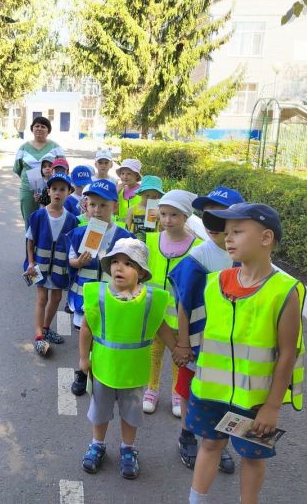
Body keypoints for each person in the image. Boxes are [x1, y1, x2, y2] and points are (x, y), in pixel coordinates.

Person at [187, 204, 305, 504]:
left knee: (252, 458)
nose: (228, 239)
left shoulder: (283, 292)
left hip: (255, 402)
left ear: (266, 238)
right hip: (210, 393)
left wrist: (272, 407)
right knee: (210, 445)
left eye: (237, 232)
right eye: (226, 233)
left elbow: (287, 354)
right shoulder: (214, 283)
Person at [79, 238, 178, 479]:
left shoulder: (151, 300)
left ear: (142, 272)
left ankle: (128, 449)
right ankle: (97, 445)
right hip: (103, 369)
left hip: (133, 373)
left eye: (128, 263)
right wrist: (84, 358)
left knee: (131, 414)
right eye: (115, 262)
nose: (119, 268)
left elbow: (162, 328)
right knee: (100, 411)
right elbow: (86, 328)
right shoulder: (99, 295)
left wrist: (178, 350)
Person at [167, 187, 245, 474]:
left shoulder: (245, 257)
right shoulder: (199, 258)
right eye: (208, 215)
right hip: (199, 344)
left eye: (220, 217)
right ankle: (188, 435)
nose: (213, 224)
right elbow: (183, 305)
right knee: (189, 388)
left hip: (232, 347)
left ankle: (216, 442)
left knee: (225, 394)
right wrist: (183, 344)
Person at [67, 180, 135, 396]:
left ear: (114, 206)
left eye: (103, 205)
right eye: (92, 204)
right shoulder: (79, 233)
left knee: (105, 336)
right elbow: (70, 260)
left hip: (111, 296)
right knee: (85, 333)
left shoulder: (125, 237)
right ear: (86, 205)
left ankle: (103, 373)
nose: (97, 210)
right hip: (85, 294)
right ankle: (82, 369)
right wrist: (79, 262)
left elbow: (133, 268)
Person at [143, 190, 202, 416]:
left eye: (174, 215)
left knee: (180, 355)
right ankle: (152, 389)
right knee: (154, 353)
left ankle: (178, 393)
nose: (167, 220)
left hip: (181, 319)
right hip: (154, 315)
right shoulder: (151, 240)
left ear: (186, 217)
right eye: (164, 214)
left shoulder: (196, 247)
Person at [25, 172, 79, 356]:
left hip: (59, 268)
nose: (57, 193)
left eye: (62, 189)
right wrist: (30, 262)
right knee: (42, 298)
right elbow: (30, 241)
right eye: (54, 189)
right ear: (48, 190)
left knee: (56, 298)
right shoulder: (38, 215)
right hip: (38, 266)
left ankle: (47, 327)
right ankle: (39, 335)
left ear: (68, 192)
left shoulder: (72, 219)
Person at [14, 117, 65, 226]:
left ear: (48, 130)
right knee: (29, 221)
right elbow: (18, 169)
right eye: (36, 126)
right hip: (28, 190)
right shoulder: (23, 148)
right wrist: (29, 182)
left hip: (50, 190)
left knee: (49, 221)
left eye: (43, 126)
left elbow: (62, 168)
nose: (39, 129)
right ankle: (30, 243)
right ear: (32, 128)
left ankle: (43, 243)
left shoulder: (56, 148)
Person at [124, 175, 164, 242]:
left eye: (154, 196)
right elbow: (126, 228)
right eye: (147, 195)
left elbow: (163, 232)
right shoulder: (132, 209)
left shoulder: (160, 212)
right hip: (135, 243)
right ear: (141, 193)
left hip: (151, 243)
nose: (150, 199)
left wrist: (161, 217)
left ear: (158, 197)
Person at [115, 158, 143, 223]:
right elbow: (114, 212)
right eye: (122, 173)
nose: (125, 177)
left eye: (129, 174)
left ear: (136, 175)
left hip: (136, 229)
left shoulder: (142, 191)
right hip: (120, 229)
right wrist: (115, 194)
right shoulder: (119, 189)